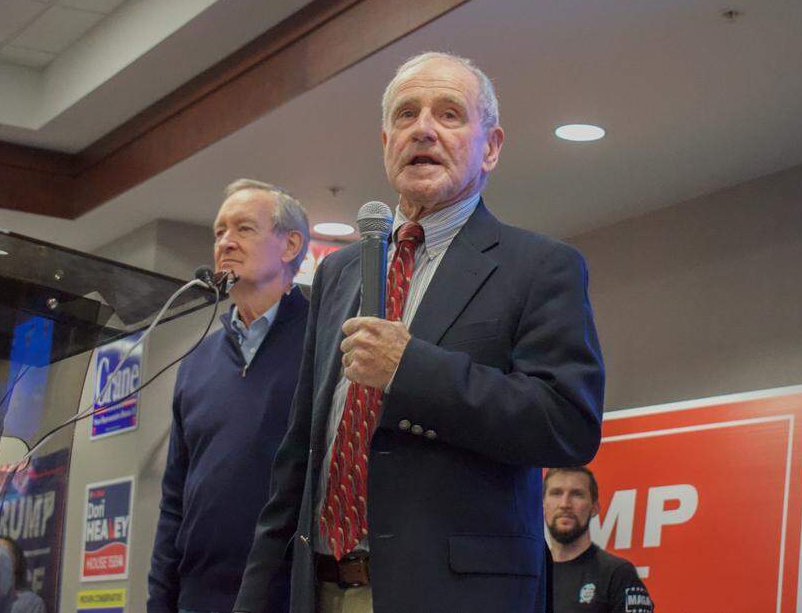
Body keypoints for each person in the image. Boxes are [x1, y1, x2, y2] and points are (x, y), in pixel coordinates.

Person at [233, 52, 605, 613]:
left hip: (455, 595)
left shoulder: (539, 267)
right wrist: (257, 597)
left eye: (450, 114)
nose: (424, 128)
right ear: (386, 141)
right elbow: (300, 457)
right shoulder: (339, 270)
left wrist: (412, 369)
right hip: (323, 588)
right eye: (406, 115)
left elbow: (568, 423)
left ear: (492, 146)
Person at [148, 180, 311, 613]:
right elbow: (174, 501)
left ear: (290, 245)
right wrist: (159, 602)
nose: (225, 243)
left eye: (243, 229)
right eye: (219, 232)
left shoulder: (325, 343)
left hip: (289, 594)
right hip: (197, 597)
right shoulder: (196, 362)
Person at [544, 467, 653, 613]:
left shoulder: (617, 574)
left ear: (594, 507)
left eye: (577, 494)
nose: (564, 504)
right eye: (556, 493)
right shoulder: (531, 575)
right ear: (543, 505)